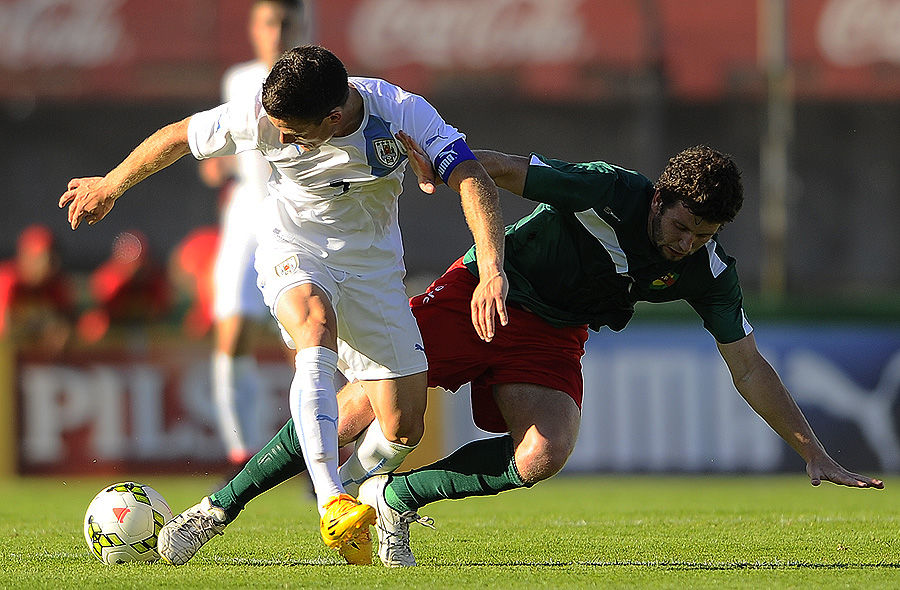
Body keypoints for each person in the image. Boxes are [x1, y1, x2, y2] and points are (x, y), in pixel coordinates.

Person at [149, 139, 884, 568]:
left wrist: (812, 452)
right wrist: (445, 170)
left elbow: (748, 365)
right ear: (660, 199)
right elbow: (499, 168)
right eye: (682, 226)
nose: (687, 244)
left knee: (543, 454)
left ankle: (397, 497)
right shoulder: (608, 189)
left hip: (553, 335)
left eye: (704, 235)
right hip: (481, 293)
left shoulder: (709, 271)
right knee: (357, 412)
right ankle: (213, 511)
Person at [58, 45, 508, 565]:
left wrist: (491, 268)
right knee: (314, 326)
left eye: (293, 132)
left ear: (334, 116)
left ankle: (367, 497)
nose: (282, 139)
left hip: (374, 271)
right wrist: (111, 184)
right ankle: (326, 500)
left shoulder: (400, 111)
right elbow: (178, 136)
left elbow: (472, 176)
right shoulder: (261, 113)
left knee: (404, 426)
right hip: (293, 247)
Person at [199, 0, 305, 474]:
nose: (276, 32)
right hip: (245, 216)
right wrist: (218, 164)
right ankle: (240, 454)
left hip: (295, 216)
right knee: (232, 332)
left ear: (298, 27)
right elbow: (228, 143)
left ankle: (317, 453)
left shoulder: (315, 78)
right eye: (268, 22)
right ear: (253, 28)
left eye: (284, 22)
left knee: (306, 341)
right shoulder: (238, 80)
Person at [0, 224, 74, 353]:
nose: (50, 264)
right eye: (44, 258)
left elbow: (67, 325)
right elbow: (4, 331)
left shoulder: (55, 284)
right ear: (25, 257)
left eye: (53, 257)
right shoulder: (8, 281)